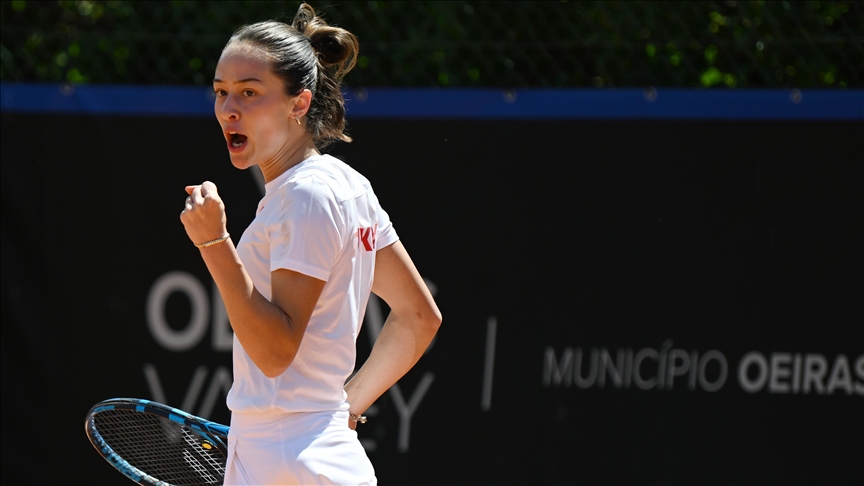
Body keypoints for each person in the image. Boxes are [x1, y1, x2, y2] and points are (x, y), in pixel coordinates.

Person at [178, 4, 442, 485]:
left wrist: (215, 242)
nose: (228, 109)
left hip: (290, 463)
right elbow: (419, 317)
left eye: (250, 93)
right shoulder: (345, 186)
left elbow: (277, 351)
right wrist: (348, 405)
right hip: (306, 456)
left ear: (299, 103)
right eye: (221, 93)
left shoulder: (306, 196)